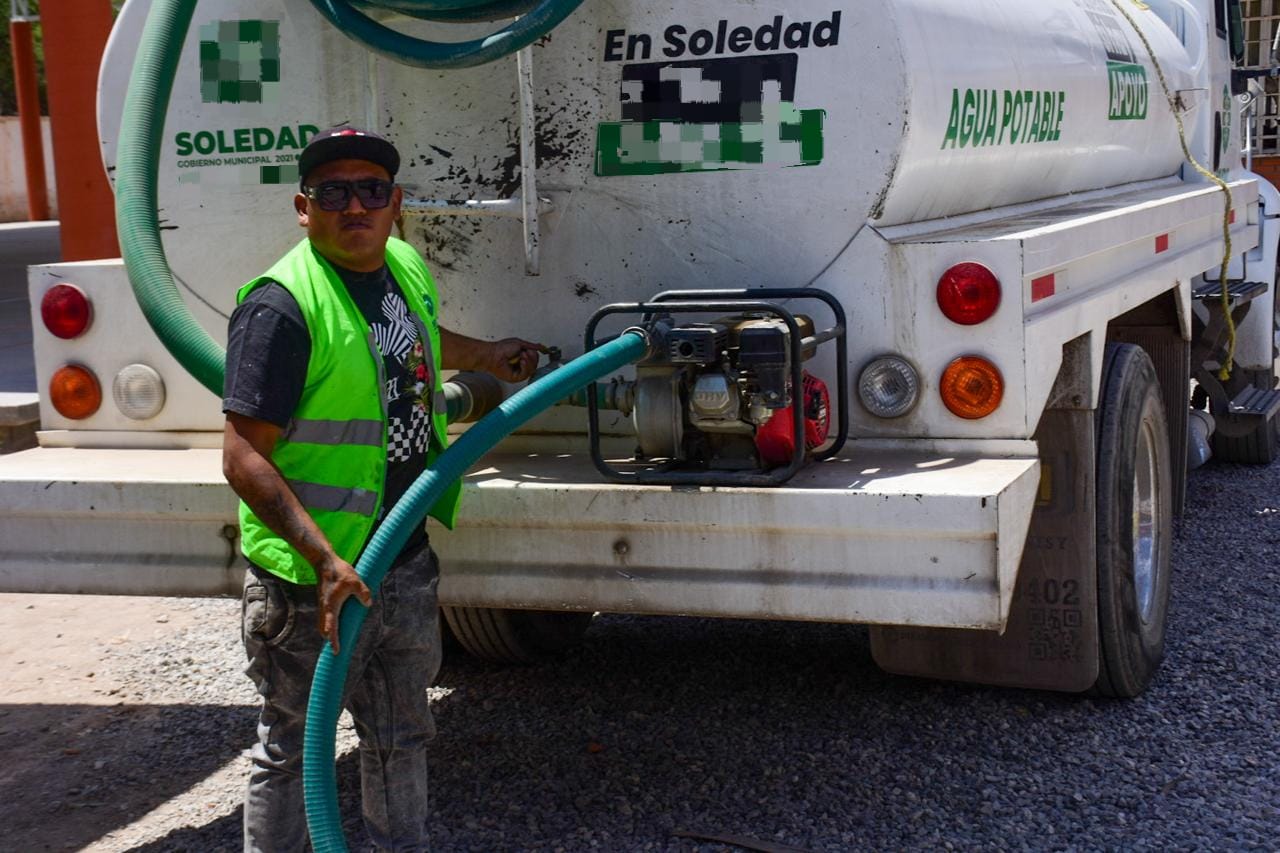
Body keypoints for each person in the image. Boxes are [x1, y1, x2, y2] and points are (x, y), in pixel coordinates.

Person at [222, 126, 542, 852]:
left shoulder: (400, 264)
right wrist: (324, 561)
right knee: (293, 749)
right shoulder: (281, 307)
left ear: (396, 204)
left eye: (371, 190)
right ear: (305, 208)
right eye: (334, 192)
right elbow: (242, 457)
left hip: (400, 561)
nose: (355, 205)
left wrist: (485, 354)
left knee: (401, 737)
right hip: (314, 582)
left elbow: (417, 334)